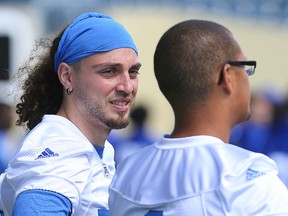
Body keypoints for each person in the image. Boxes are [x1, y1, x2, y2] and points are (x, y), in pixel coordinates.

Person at [108, 20, 288, 215]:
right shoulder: (249, 182)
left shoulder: (127, 172)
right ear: (227, 76)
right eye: (245, 67)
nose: (248, 77)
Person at [0, 12, 141, 216]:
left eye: (133, 72)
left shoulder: (93, 148)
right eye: (109, 71)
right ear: (67, 76)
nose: (127, 86)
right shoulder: (59, 155)